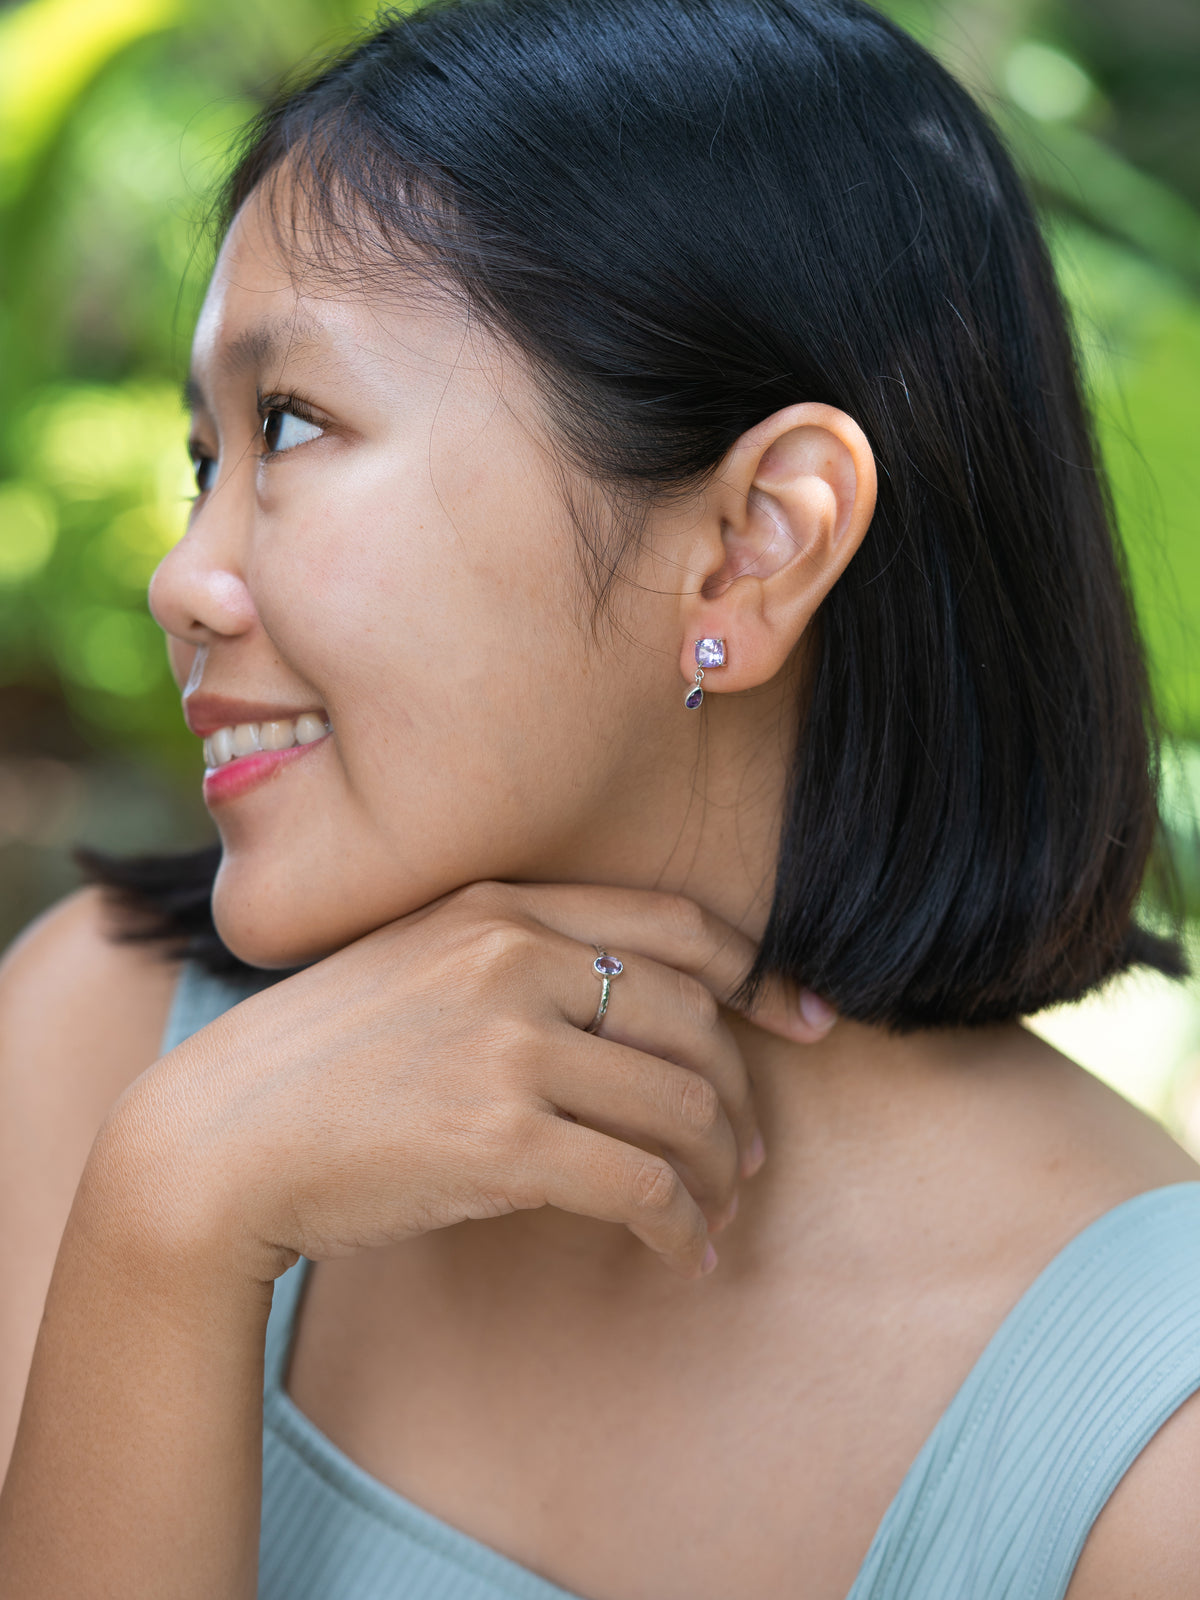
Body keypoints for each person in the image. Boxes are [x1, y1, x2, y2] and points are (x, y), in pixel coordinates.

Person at [1, 0, 1198, 1594]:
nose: (183, 579)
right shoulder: (102, 1043)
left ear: (753, 541)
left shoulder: (1145, 1448)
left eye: (290, 425)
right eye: (203, 457)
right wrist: (166, 1232)